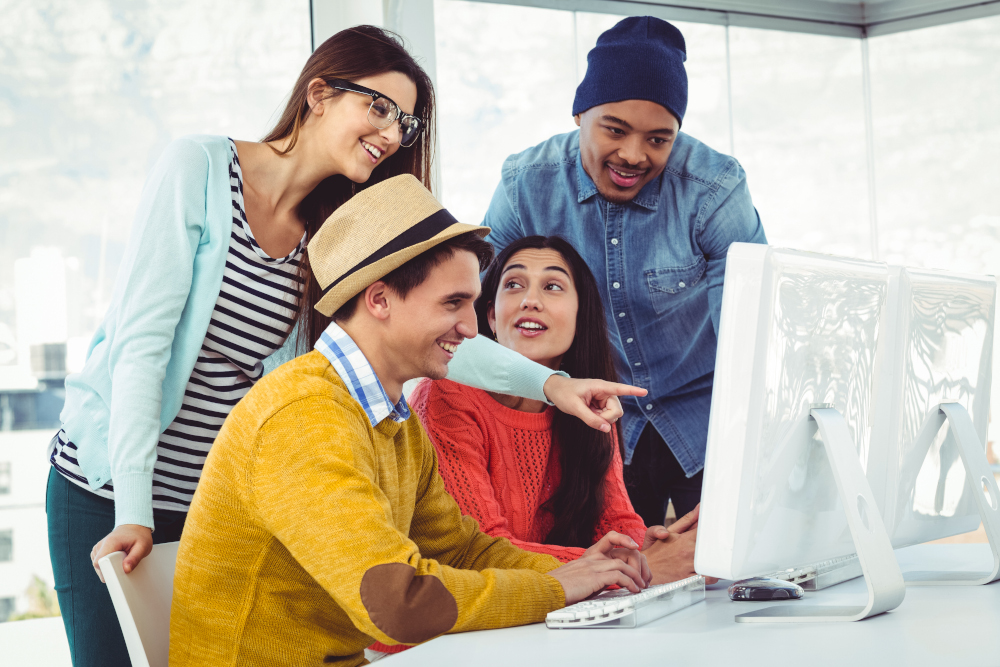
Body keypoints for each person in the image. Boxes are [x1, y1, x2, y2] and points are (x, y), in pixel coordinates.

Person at [47, 26, 642, 667]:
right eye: (379, 107)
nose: (392, 134)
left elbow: (424, 335)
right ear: (319, 94)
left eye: (406, 122)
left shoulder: (338, 237)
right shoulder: (202, 169)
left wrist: (551, 385)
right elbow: (144, 347)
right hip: (112, 479)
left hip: (221, 482)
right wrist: (132, 508)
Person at [169, 175, 651, 667]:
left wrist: (586, 569)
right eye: (452, 303)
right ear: (379, 300)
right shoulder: (305, 416)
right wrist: (551, 587)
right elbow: (397, 602)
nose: (471, 327)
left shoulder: (392, 422)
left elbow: (459, 550)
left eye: (471, 303)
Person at [483, 16, 768, 527]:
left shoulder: (714, 189)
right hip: (590, 425)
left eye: (659, 139)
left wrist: (742, 474)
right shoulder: (525, 185)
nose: (633, 155)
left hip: (707, 423)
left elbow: (752, 336)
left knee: (729, 575)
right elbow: (482, 321)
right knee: (618, 584)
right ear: (579, 114)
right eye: (614, 130)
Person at [368, 235, 703, 657]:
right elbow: (479, 549)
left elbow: (615, 521)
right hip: (444, 641)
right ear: (487, 318)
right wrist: (634, 570)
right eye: (513, 285)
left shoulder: (587, 404)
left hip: (533, 622)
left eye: (553, 286)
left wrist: (650, 547)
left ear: (582, 316)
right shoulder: (447, 398)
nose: (530, 300)